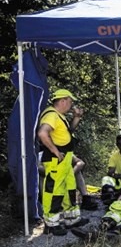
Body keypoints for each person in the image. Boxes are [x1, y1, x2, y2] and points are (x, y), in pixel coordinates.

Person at [37, 89, 89, 235]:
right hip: (56, 160)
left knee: (69, 187)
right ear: (63, 101)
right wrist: (54, 150)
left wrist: (77, 117)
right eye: (70, 101)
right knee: (54, 190)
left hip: (65, 159)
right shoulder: (51, 115)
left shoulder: (60, 116)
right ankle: (51, 223)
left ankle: (71, 219)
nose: (71, 104)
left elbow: (68, 131)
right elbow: (42, 133)